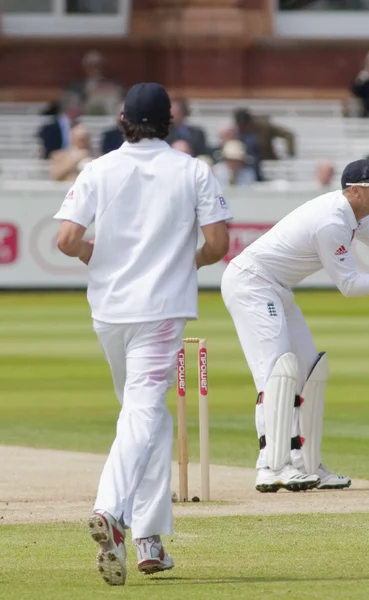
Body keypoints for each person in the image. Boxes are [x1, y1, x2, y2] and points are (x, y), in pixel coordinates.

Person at [53, 82, 231, 586]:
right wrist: (182, 262)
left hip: (109, 311)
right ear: (170, 121)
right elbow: (217, 244)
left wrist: (93, 254)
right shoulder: (193, 169)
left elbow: (65, 239)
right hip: (161, 311)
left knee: (149, 418)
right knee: (142, 413)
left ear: (123, 120)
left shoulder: (99, 168)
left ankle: (151, 538)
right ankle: (111, 512)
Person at [221, 159, 369, 493]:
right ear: (355, 191)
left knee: (307, 370)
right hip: (252, 284)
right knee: (277, 373)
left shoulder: (353, 214)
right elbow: (348, 285)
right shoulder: (332, 220)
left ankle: (306, 464)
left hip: (276, 288)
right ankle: (271, 467)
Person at [37, 91, 84, 159]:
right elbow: (48, 151)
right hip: (56, 161)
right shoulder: (49, 129)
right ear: (71, 109)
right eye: (79, 107)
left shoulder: (81, 128)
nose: (81, 111)